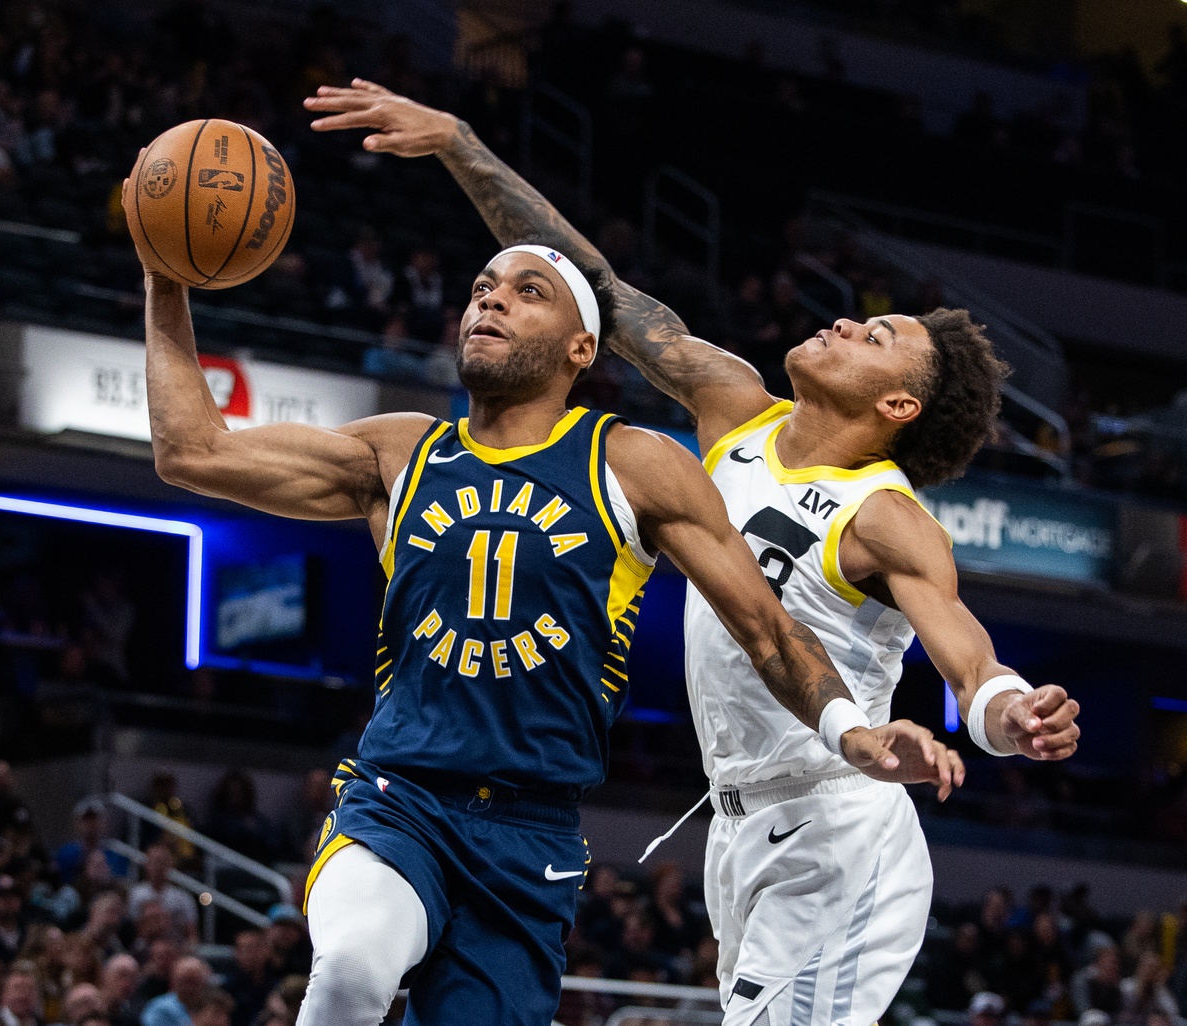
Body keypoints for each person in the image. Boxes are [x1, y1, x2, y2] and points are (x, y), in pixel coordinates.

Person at [131, 94, 953, 1026]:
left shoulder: (635, 465)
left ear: (579, 347)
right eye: (484, 285)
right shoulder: (398, 453)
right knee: (354, 970)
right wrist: (166, 274)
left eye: (527, 290)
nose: (491, 297)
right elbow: (191, 452)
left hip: (530, 837)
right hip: (398, 801)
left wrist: (851, 732)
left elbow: (767, 628)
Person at [313, 81, 1083, 1026]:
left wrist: (1012, 714)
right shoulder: (733, 409)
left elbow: (966, 658)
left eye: (874, 336)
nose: (845, 321)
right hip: (738, 825)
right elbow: (590, 287)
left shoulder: (886, 517)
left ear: (896, 409)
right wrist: (460, 146)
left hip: (839, 821)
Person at [126, 846, 195, 943]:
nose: (157, 867)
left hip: (174, 947)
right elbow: (131, 929)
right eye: (154, 862)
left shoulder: (183, 898)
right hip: (142, 948)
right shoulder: (135, 894)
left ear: (170, 865)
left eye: (162, 862)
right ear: (147, 865)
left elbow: (192, 933)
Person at [139, 958, 207, 1026]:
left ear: (204, 983)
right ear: (173, 982)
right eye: (185, 981)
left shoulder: (209, 1008)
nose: (190, 987)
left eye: (195, 982)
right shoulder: (160, 1008)